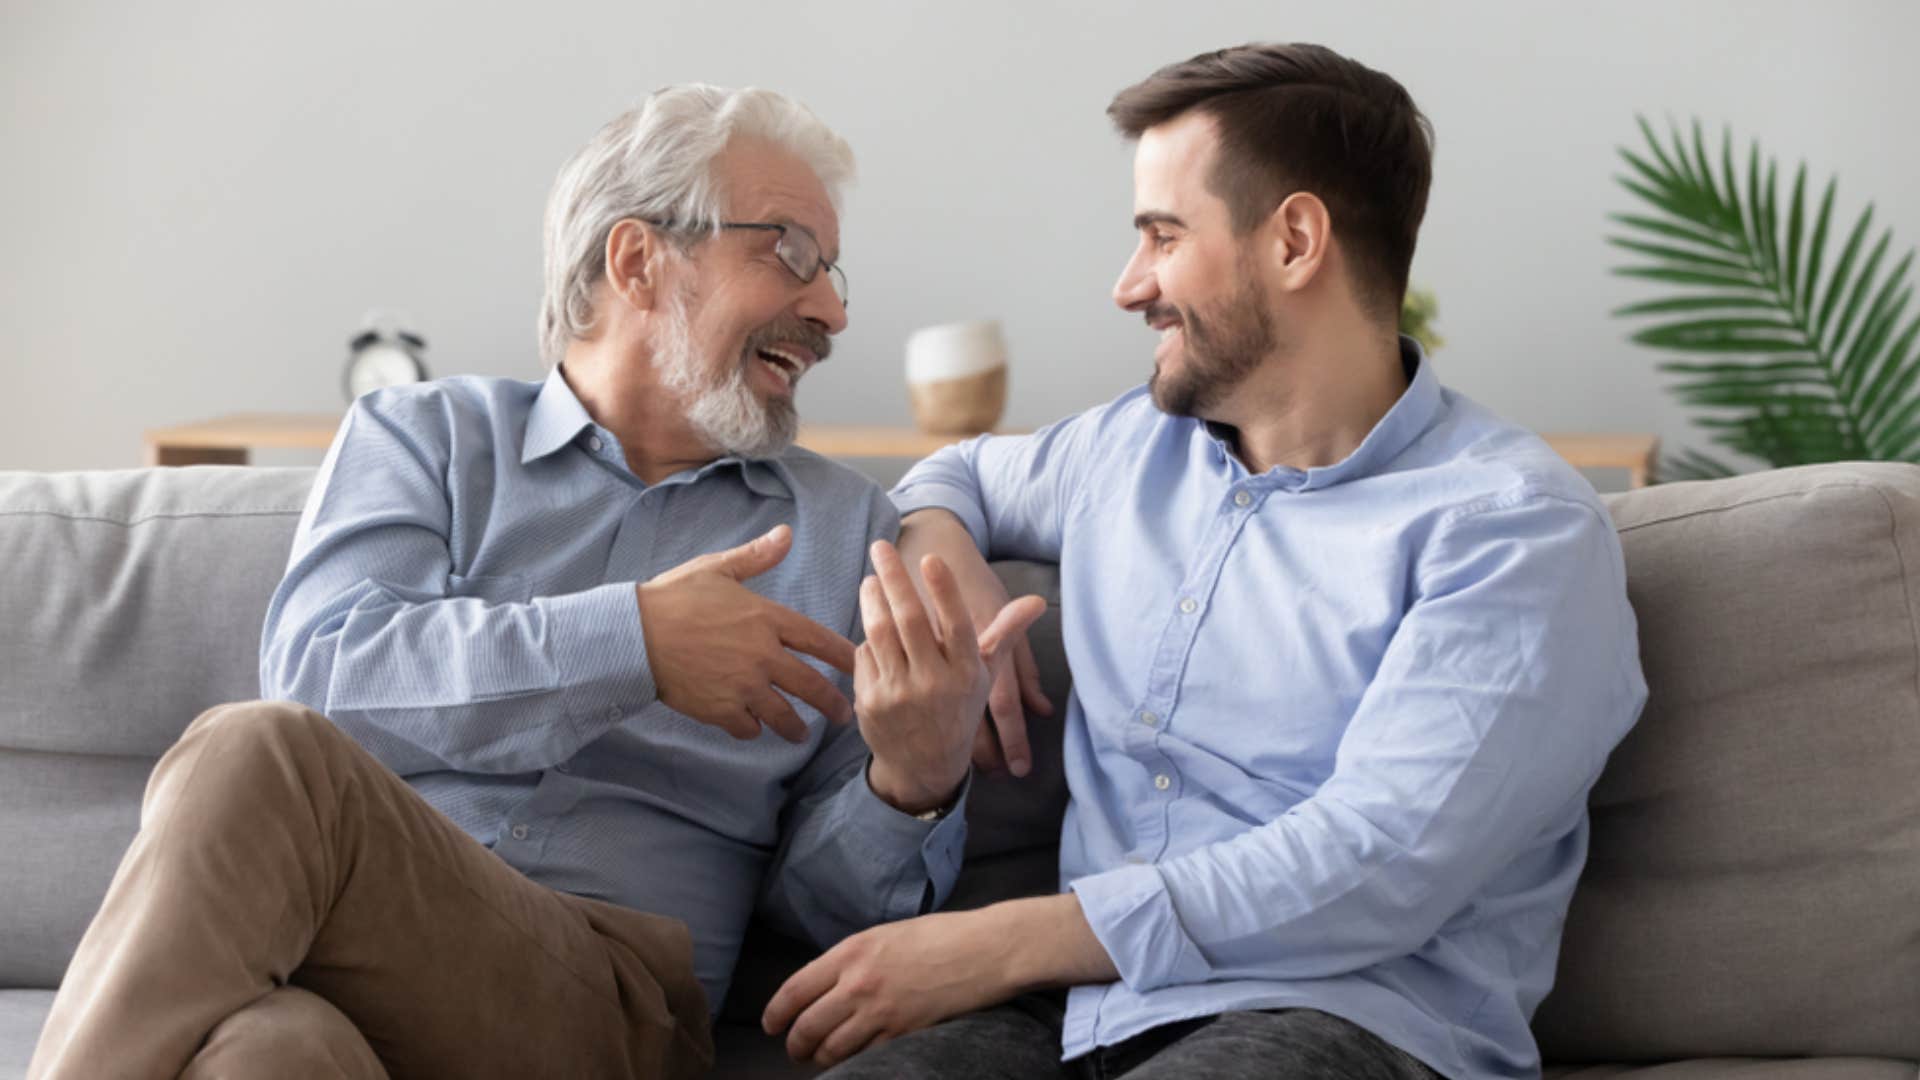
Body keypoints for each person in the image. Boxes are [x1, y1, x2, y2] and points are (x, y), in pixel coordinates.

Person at [29, 84, 1036, 1080]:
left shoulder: (840, 527)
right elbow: (320, 674)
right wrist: (632, 643)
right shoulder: (424, 440)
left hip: (608, 1003)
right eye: (792, 254)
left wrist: (909, 783)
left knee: (259, 754)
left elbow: (829, 930)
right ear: (639, 261)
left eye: (832, 271)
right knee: (269, 1052)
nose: (832, 308)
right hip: (344, 955)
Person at [761, 43, 1647, 1080]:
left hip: (1345, 1021)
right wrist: (943, 556)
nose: (1128, 284)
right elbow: (952, 474)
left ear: (1296, 241)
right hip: (1075, 1018)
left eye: (1162, 236)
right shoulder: (1125, 452)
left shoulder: (1512, 529)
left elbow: (1378, 866)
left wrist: (996, 942)